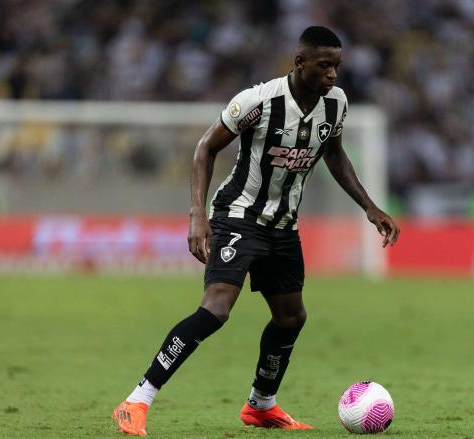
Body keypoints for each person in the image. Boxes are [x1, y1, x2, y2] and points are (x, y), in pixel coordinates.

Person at [111, 26, 399, 436]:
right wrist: (198, 215)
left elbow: (334, 155)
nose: (333, 75)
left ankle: (261, 405)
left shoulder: (336, 104)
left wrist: (369, 207)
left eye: (336, 66)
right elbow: (205, 148)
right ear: (300, 63)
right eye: (324, 66)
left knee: (291, 317)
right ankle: (137, 400)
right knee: (217, 309)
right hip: (238, 216)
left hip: (283, 225)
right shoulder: (258, 101)